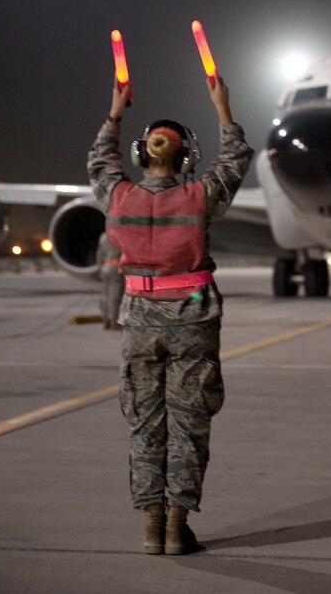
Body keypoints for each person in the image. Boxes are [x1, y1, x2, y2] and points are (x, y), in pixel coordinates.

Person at [87, 73, 253, 555]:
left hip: (139, 319)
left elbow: (101, 160)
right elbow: (235, 160)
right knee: (189, 424)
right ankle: (178, 527)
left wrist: (116, 112)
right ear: (185, 158)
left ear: (142, 154)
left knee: (145, 423)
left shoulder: (118, 197)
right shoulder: (199, 196)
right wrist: (223, 107)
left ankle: (150, 526)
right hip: (194, 319)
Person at [95, 232, 125, 330]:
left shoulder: (103, 236)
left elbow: (99, 254)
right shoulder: (119, 235)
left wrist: (100, 268)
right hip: (116, 268)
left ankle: (105, 320)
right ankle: (114, 320)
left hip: (105, 267)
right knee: (115, 295)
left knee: (105, 295)